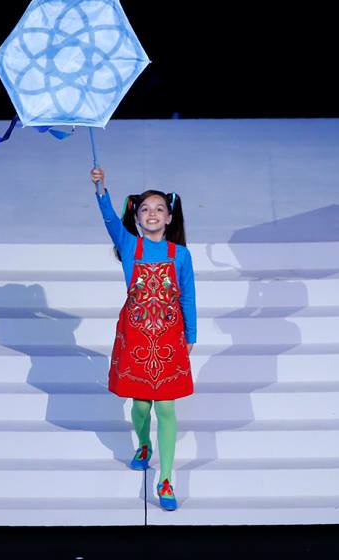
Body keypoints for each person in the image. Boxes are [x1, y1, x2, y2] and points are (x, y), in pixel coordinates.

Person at [91, 166, 196, 511]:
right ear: (136, 217)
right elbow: (109, 220)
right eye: (145, 209)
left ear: (169, 217)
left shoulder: (180, 254)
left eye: (159, 209)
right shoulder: (129, 246)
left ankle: (165, 479)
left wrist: (191, 334)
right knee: (140, 405)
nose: (152, 214)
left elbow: (188, 297)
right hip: (136, 336)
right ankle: (144, 444)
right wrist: (101, 189)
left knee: (166, 406)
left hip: (169, 338)